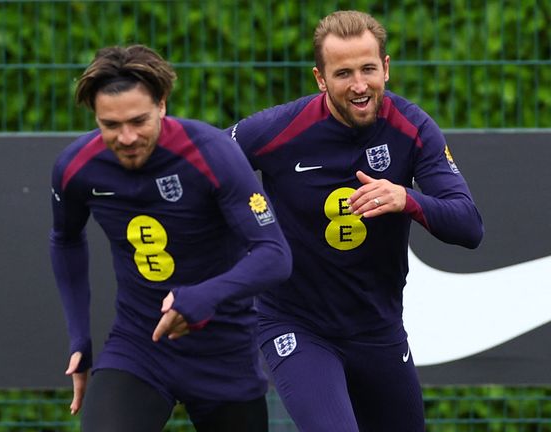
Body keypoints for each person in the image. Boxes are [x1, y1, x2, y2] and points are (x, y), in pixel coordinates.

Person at [226, 10, 484, 431]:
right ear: (320, 79)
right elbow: (204, 168)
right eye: (343, 73)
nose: (359, 85)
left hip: (377, 327)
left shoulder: (413, 128)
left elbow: (469, 226)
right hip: (296, 323)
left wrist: (406, 198)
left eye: (368, 69)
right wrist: (252, 223)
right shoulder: (278, 128)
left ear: (386, 67)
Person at [49, 44, 291, 432]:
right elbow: (65, 239)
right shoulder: (76, 167)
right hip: (138, 347)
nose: (126, 137)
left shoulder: (212, 153)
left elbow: (275, 254)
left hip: (223, 351)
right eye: (110, 125)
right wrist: (80, 338)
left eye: (138, 121)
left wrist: (200, 297)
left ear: (162, 104)